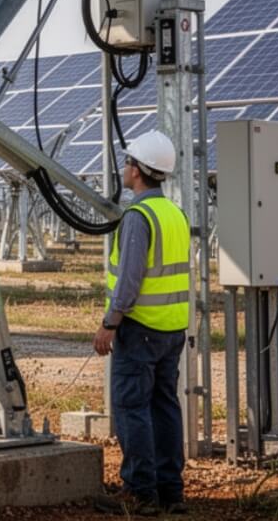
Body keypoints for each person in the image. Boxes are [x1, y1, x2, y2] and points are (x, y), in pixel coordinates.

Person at [93, 130, 191, 517]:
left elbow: (130, 280)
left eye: (128, 161)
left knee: (132, 407)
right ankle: (171, 491)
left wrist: (109, 324)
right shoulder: (175, 213)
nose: (124, 167)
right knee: (165, 406)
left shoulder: (139, 217)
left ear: (137, 170)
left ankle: (140, 492)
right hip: (172, 329)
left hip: (141, 328)